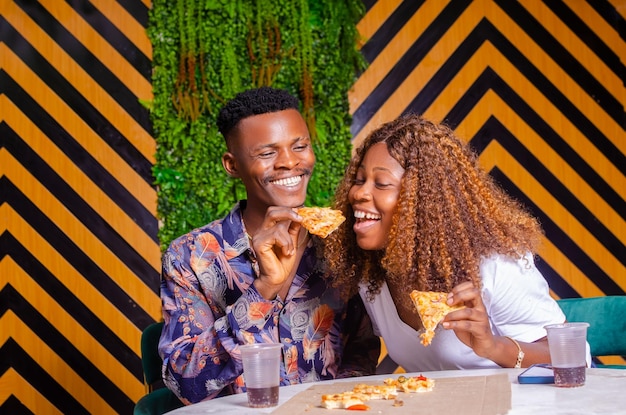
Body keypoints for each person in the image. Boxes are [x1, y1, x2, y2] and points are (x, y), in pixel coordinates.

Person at [159, 87, 380, 404]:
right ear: (232, 165)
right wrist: (262, 290)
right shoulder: (191, 257)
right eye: (267, 153)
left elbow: (362, 350)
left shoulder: (340, 246)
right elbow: (185, 384)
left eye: (300, 146)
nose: (290, 162)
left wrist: (332, 404)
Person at [323, 113, 588, 372]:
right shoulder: (372, 277)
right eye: (359, 180)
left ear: (424, 202)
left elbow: (575, 357)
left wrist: (494, 347)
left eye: (381, 183)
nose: (358, 193)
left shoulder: (492, 266)